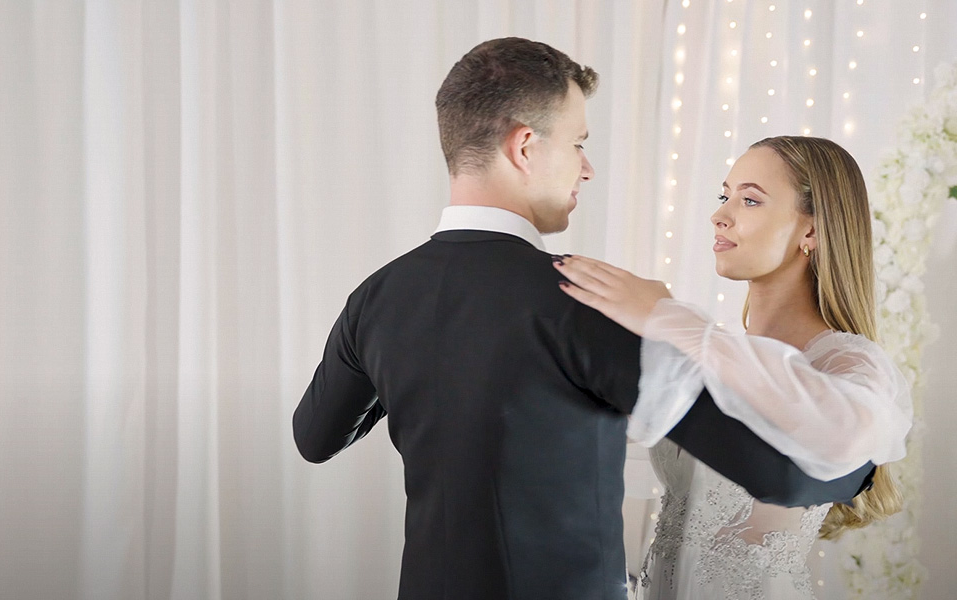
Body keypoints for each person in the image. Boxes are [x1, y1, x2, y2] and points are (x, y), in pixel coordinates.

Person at [293, 39, 874, 600]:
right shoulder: (589, 298)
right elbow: (777, 475)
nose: (587, 168)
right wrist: (863, 463)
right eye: (577, 143)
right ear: (525, 147)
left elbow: (314, 438)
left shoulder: (376, 298)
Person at [554, 136, 913, 599]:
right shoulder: (708, 355)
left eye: (750, 199)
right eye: (724, 195)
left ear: (812, 231)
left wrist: (672, 320)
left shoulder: (847, 362)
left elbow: (848, 429)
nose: (720, 215)